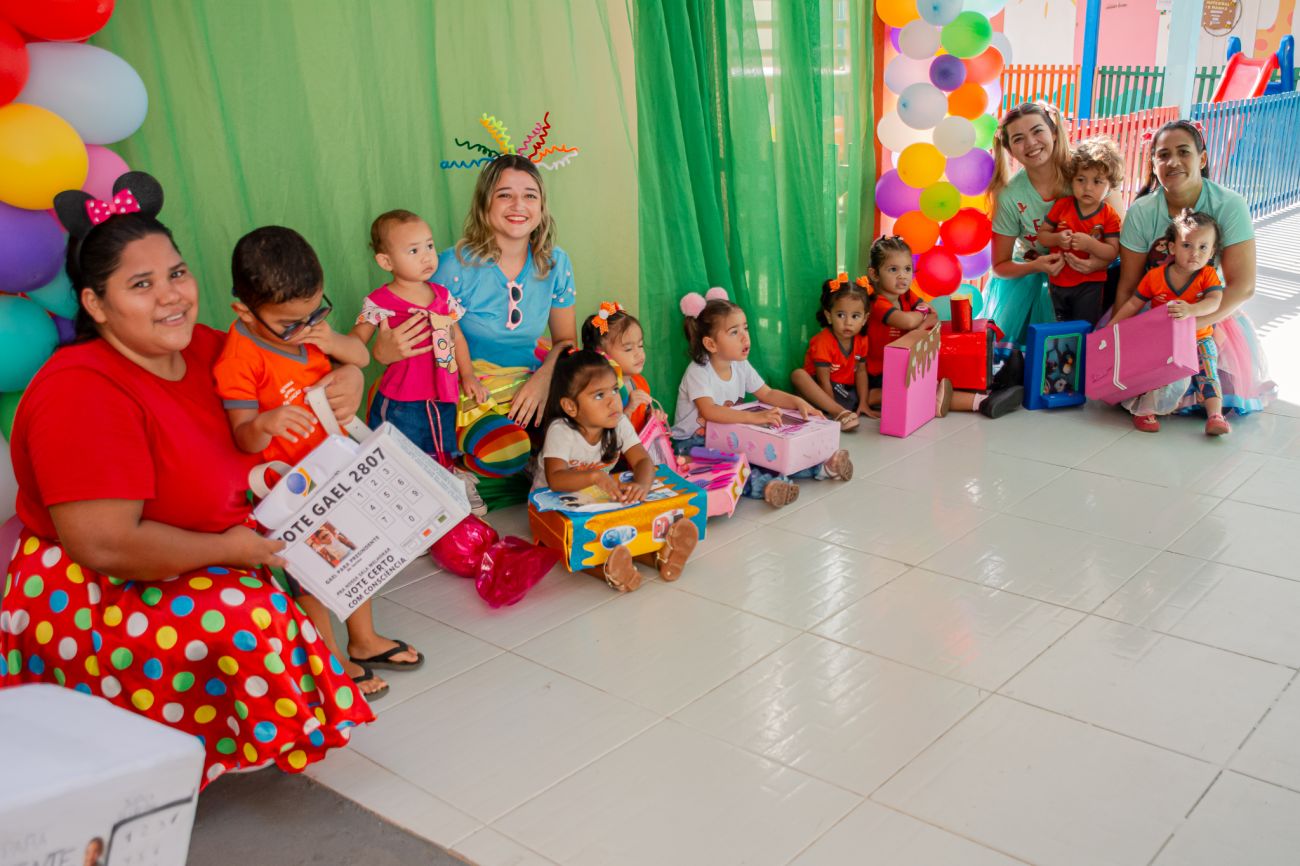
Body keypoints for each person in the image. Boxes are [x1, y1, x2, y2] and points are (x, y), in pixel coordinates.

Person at [1, 171, 373, 787]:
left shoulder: (207, 348)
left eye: (176, 273)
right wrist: (229, 550)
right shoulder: (80, 390)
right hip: (97, 590)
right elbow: (104, 544)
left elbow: (296, 369)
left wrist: (347, 378)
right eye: (140, 284)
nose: (171, 295)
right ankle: (165, 763)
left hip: (216, 549)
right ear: (95, 304)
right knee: (244, 613)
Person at [215, 225, 423, 702]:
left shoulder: (310, 329)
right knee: (313, 573)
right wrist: (264, 423)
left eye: (315, 311)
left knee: (358, 555)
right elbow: (243, 436)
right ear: (244, 311)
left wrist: (334, 344)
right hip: (291, 489)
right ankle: (331, 658)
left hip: (336, 465)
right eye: (290, 323)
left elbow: (359, 355)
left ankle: (364, 639)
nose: (304, 328)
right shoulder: (239, 359)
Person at [406, 154, 577, 481]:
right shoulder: (453, 266)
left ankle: (535, 447)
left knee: (608, 395)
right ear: (485, 204)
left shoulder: (555, 263)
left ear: (541, 207)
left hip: (529, 378)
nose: (518, 205)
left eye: (530, 195)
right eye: (504, 195)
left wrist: (543, 379)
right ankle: (460, 468)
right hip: (472, 389)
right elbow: (433, 348)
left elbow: (566, 341)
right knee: (506, 451)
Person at [1109, 118, 1275, 418]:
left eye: (1183, 152)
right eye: (1163, 155)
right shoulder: (1141, 211)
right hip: (1155, 310)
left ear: (1203, 158)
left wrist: (1193, 326)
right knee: (1133, 388)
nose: (1173, 162)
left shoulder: (1229, 204)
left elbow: (1243, 286)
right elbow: (1129, 285)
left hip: (1209, 311)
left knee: (1214, 386)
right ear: (1153, 163)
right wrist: (1120, 341)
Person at [350, 209, 488, 513]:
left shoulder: (442, 295)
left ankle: (446, 492)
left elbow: (457, 337)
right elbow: (355, 341)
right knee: (400, 455)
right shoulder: (380, 302)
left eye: (429, 245)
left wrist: (468, 376)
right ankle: (401, 508)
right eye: (413, 250)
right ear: (386, 262)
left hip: (442, 395)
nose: (427, 256)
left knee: (440, 447)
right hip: (402, 400)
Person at [671, 288, 853, 509]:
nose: (745, 337)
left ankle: (822, 467)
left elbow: (767, 393)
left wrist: (798, 402)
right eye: (734, 332)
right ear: (711, 344)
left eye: (745, 328)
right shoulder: (698, 371)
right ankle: (766, 487)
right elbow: (709, 411)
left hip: (727, 433)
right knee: (735, 463)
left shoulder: (740, 364)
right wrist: (755, 418)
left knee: (766, 451)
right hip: (692, 443)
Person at [534, 349, 698, 592]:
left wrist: (642, 486)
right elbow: (556, 480)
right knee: (585, 540)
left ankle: (661, 558)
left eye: (614, 389)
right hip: (551, 508)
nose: (613, 400)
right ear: (570, 406)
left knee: (624, 523)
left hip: (593, 499)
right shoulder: (561, 430)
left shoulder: (619, 423)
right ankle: (610, 572)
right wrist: (595, 477)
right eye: (599, 395)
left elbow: (643, 461)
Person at [986, 102, 1121, 347]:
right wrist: (1036, 266)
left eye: (1037, 131)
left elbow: (1120, 238)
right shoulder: (1010, 196)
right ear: (1010, 150)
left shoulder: (1088, 173)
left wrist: (1097, 264)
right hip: (1035, 284)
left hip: (1092, 282)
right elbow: (1000, 266)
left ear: (1054, 132)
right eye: (1018, 139)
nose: (1031, 143)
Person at [864, 236, 1022, 418]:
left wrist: (919, 324)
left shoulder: (905, 295)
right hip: (882, 372)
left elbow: (932, 314)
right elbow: (907, 321)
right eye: (893, 269)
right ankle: (982, 402)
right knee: (929, 390)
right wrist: (920, 320)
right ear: (874, 274)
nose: (902, 276)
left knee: (942, 371)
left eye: (907, 269)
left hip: (906, 362)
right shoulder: (877, 303)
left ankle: (992, 383)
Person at [1111, 210, 1229, 435]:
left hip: (1199, 336)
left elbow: (1215, 301)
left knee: (1208, 371)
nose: (1195, 253)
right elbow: (1133, 303)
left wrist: (1191, 310)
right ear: (1172, 248)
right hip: (1162, 340)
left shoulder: (1207, 275)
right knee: (1155, 374)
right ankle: (1145, 410)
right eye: (1187, 245)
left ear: (1212, 251)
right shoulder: (1155, 276)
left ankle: (1215, 415)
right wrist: (1112, 326)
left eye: (1203, 247)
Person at [1036, 136, 1124, 326]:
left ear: (1110, 185)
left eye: (1097, 181)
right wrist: (1057, 239)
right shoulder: (1062, 206)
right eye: (1081, 180)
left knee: (1083, 328)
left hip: (1090, 285)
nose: (1087, 187)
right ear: (1072, 179)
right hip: (1058, 282)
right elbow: (1042, 236)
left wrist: (1090, 244)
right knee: (1056, 328)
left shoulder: (1109, 216)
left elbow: (1112, 251)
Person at [789, 273, 874, 431]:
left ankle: (852, 406)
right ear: (829, 316)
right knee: (798, 375)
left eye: (855, 316)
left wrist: (863, 403)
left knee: (880, 393)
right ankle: (838, 412)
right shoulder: (823, 341)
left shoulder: (862, 340)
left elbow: (861, 372)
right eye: (841, 315)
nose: (848, 322)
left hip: (844, 389)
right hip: (821, 390)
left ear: (864, 319)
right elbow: (823, 381)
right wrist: (833, 409)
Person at [580, 301, 664, 433]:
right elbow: (606, 434)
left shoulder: (640, 383)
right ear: (602, 354)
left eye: (640, 345)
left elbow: (643, 416)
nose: (639, 353)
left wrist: (652, 418)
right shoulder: (603, 394)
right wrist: (628, 409)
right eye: (628, 349)